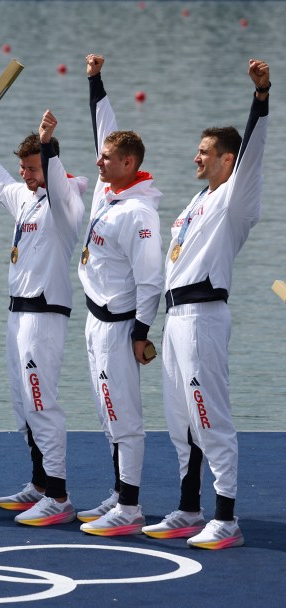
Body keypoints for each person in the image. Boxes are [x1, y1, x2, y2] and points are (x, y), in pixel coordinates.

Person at [142, 59, 269, 549]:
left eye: (204, 153)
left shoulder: (236, 199)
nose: (196, 158)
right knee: (180, 420)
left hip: (204, 317)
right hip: (176, 319)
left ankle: (227, 517)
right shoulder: (198, 200)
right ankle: (189, 508)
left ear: (227, 160)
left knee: (209, 415)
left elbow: (255, 152)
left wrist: (261, 98)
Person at [0, 111, 87, 526]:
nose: (26, 174)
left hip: (45, 314)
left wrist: (47, 144)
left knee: (42, 403)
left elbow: (54, 181)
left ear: (50, 166)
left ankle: (58, 495)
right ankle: (39, 483)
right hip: (17, 313)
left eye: (33, 167)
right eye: (24, 166)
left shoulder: (67, 201)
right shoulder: (26, 197)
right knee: (22, 406)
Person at [77, 54, 163, 535]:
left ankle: (130, 508)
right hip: (95, 321)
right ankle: (118, 491)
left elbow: (151, 281)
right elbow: (102, 126)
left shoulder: (139, 215)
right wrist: (95, 79)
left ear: (129, 164)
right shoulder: (110, 193)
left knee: (122, 414)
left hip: (119, 326)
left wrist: (140, 334)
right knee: (105, 408)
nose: (98, 161)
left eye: (107, 159)